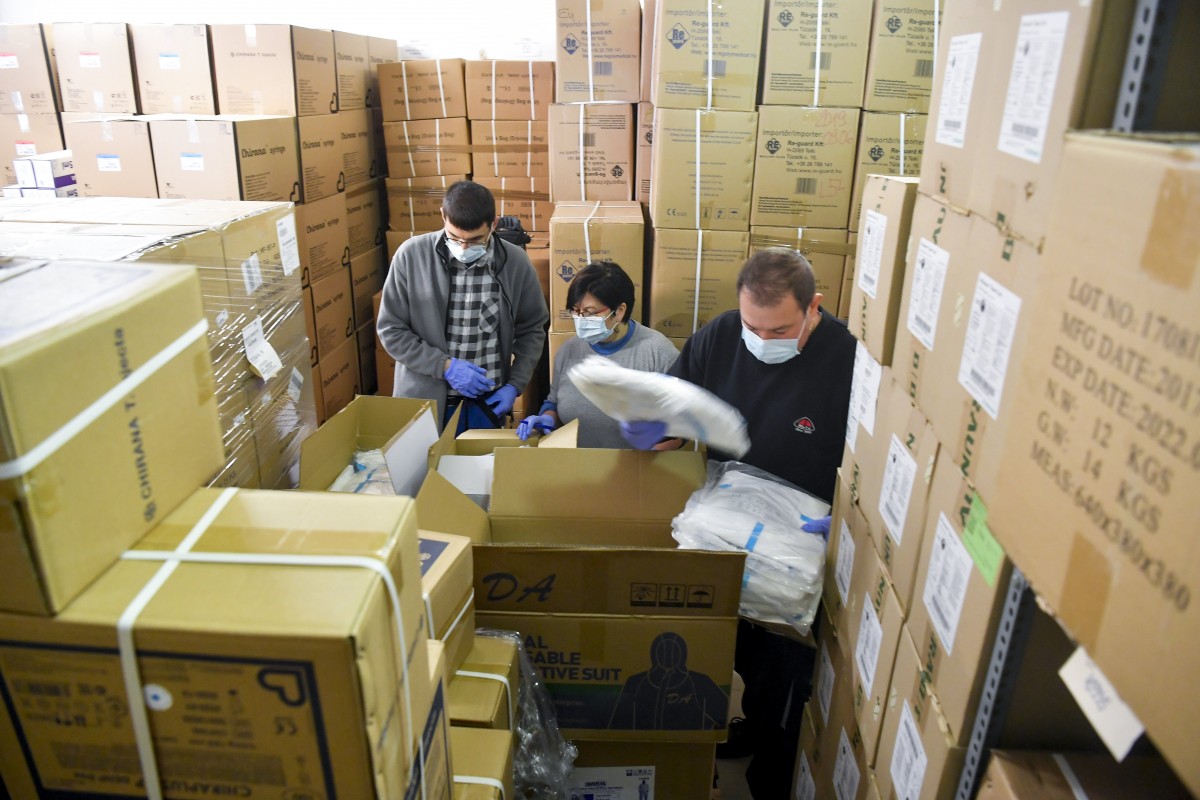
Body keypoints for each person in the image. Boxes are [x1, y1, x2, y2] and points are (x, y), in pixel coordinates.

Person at [620, 249, 855, 797]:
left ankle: (772, 772)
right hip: (725, 527)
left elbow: (871, 460)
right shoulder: (722, 336)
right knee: (733, 652)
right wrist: (654, 431)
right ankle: (750, 723)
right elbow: (677, 411)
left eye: (780, 330)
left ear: (814, 307)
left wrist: (849, 519)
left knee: (784, 678)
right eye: (754, 326)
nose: (762, 339)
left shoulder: (847, 358)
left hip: (798, 546)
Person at [377, 180, 548, 432]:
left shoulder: (515, 262)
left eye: (476, 240)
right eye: (454, 237)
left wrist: (515, 384)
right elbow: (391, 330)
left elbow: (532, 328)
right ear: (443, 216)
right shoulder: (411, 256)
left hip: (485, 404)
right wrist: (444, 366)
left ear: (494, 224)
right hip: (423, 402)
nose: (464, 247)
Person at [516, 260, 678, 448]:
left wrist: (648, 454)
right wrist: (548, 418)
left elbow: (681, 430)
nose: (581, 319)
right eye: (576, 311)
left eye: (590, 313)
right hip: (577, 463)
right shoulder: (569, 351)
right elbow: (554, 403)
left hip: (636, 464)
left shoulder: (657, 353)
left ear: (619, 311)